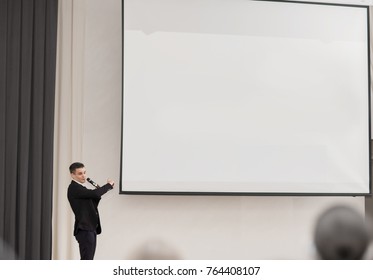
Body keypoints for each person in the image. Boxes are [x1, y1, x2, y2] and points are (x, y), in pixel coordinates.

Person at [67, 162, 114, 260]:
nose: (84, 176)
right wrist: (108, 185)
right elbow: (95, 194)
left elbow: (93, 199)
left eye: (84, 172)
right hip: (85, 230)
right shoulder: (74, 188)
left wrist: (100, 190)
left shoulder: (80, 188)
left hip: (89, 228)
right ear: (72, 175)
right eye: (80, 173)